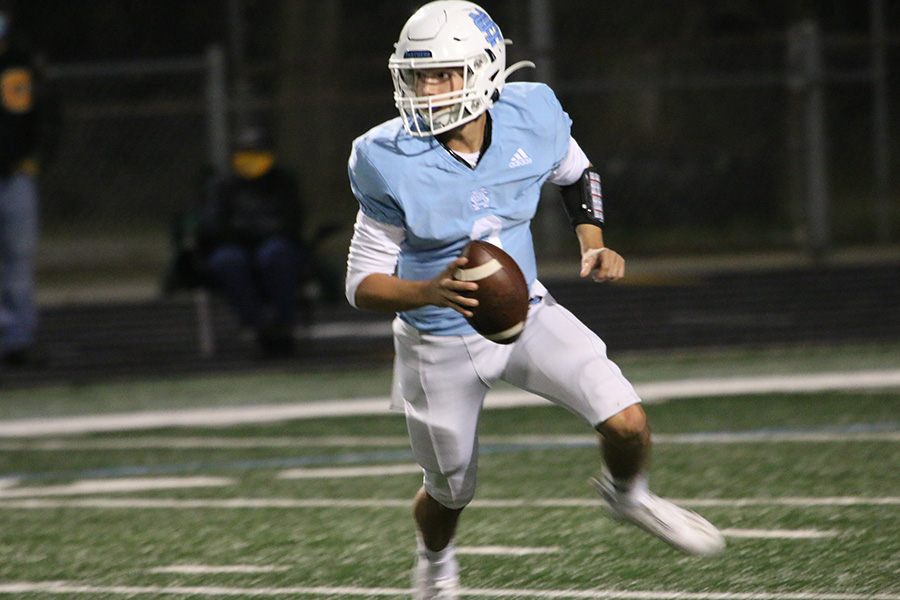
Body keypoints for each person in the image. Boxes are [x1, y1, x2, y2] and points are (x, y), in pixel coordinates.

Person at [344, 2, 725, 598]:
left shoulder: (532, 113)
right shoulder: (384, 156)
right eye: (419, 76)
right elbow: (362, 282)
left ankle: (630, 497)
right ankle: (436, 560)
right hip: (438, 336)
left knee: (626, 421)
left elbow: (576, 173)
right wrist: (428, 290)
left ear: (487, 71)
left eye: (445, 73)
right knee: (450, 490)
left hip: (527, 310)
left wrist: (593, 240)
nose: (428, 89)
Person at [198, 126, 309, 358]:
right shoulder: (222, 185)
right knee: (226, 262)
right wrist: (249, 231)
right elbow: (213, 226)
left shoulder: (282, 183)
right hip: (234, 248)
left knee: (276, 254)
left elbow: (291, 223)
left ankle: (284, 324)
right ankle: (259, 327)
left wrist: (249, 230)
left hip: (273, 245)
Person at [0, 6, 47, 367]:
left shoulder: (22, 61)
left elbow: (47, 112)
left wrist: (37, 157)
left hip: (15, 174)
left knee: (19, 259)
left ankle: (19, 339)